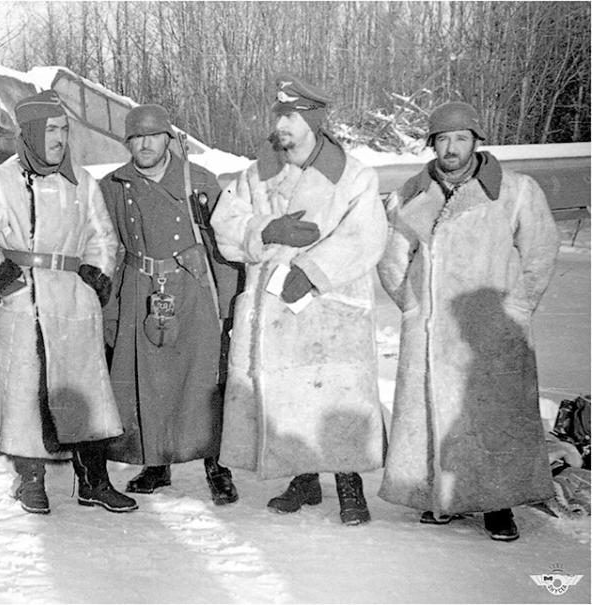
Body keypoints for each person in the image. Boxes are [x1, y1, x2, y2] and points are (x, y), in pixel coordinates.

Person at [377, 101, 559, 541]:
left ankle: (498, 505)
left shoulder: (515, 190)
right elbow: (391, 259)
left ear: (476, 141)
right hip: (430, 332)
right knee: (434, 415)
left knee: (493, 418)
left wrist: (514, 310)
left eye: (460, 138)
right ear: (433, 145)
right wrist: (414, 307)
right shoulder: (412, 194)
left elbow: (540, 254)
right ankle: (444, 499)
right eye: (442, 139)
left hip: (489, 331)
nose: (451, 148)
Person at [210, 75, 387, 525]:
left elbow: (366, 236)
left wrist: (312, 271)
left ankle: (350, 485)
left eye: (289, 115)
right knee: (289, 395)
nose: (280, 124)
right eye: (278, 115)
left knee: (336, 395)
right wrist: (265, 230)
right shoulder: (258, 174)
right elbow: (225, 223)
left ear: (313, 120)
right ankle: (304, 479)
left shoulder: (354, 176)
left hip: (330, 307)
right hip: (273, 310)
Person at [0, 90, 137, 515]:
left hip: (73, 301)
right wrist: (3, 283)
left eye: (64, 129)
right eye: (51, 130)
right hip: (21, 303)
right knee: (25, 392)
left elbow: (103, 238)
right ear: (32, 132)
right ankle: (31, 480)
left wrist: (94, 280)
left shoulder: (83, 183)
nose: (59, 138)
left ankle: (94, 481)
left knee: (84, 391)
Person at [99, 104, 240, 505]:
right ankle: (156, 464)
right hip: (140, 288)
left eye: (152, 136)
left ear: (168, 140)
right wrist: (109, 303)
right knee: (150, 380)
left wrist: (228, 302)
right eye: (136, 137)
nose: (144, 144)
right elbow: (104, 245)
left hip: (193, 288)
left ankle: (217, 466)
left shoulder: (200, 182)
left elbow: (224, 246)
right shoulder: (114, 185)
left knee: (203, 380)